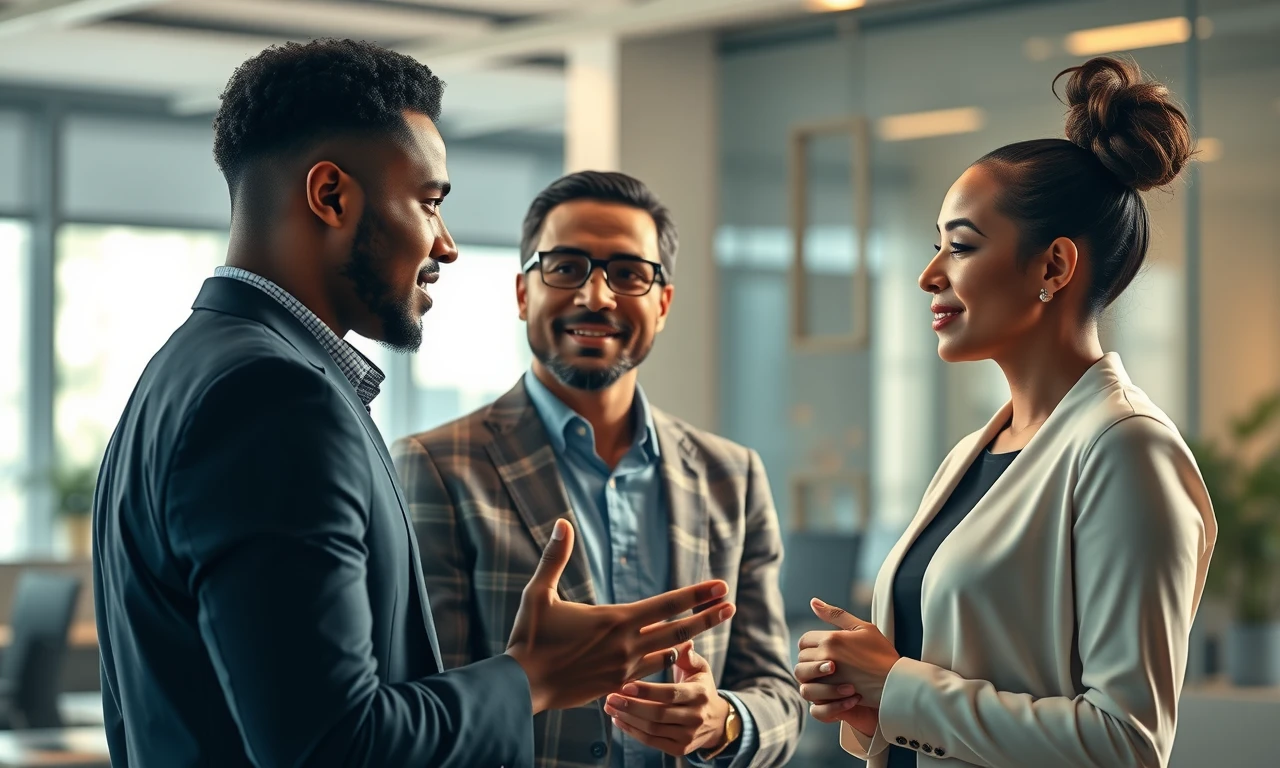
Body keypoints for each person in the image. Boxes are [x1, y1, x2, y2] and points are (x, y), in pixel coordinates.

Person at [92, 40, 735, 768]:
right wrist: (532, 676)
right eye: (430, 203)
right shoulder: (274, 400)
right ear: (331, 195)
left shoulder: (185, 369)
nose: (448, 245)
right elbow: (333, 745)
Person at [793, 56, 1217, 768]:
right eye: (936, 245)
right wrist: (864, 699)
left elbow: (1127, 744)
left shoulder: (1125, 449)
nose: (930, 275)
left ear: (1054, 266)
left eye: (960, 246)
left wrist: (896, 683)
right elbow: (932, 699)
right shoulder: (971, 454)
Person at [392, 170, 804, 768]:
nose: (597, 296)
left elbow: (777, 695)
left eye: (629, 274)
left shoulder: (730, 475)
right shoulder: (436, 467)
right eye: (565, 267)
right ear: (522, 293)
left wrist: (721, 722)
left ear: (662, 303)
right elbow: (427, 706)